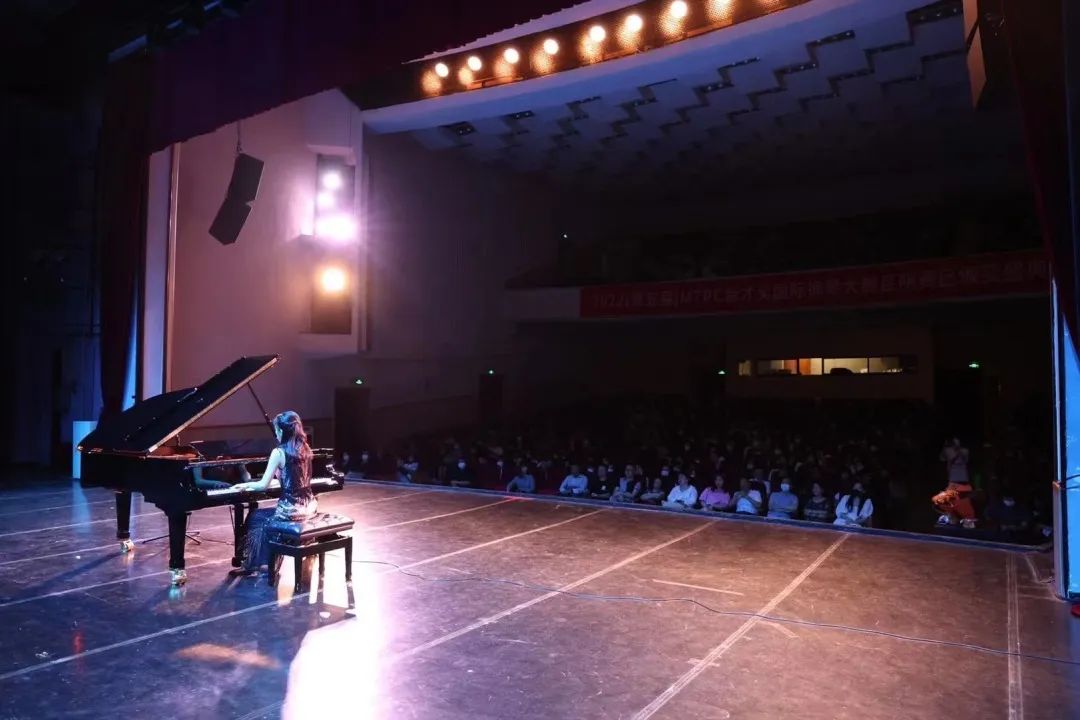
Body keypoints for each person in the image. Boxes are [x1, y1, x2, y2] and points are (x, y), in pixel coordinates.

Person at [229, 411, 318, 581]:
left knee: (256, 517)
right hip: (309, 507)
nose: (275, 433)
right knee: (264, 516)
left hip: (291, 511)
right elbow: (296, 478)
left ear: (282, 431)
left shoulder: (279, 452)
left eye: (276, 430)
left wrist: (244, 484)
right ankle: (270, 560)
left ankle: (256, 565)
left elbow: (262, 485)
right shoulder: (306, 449)